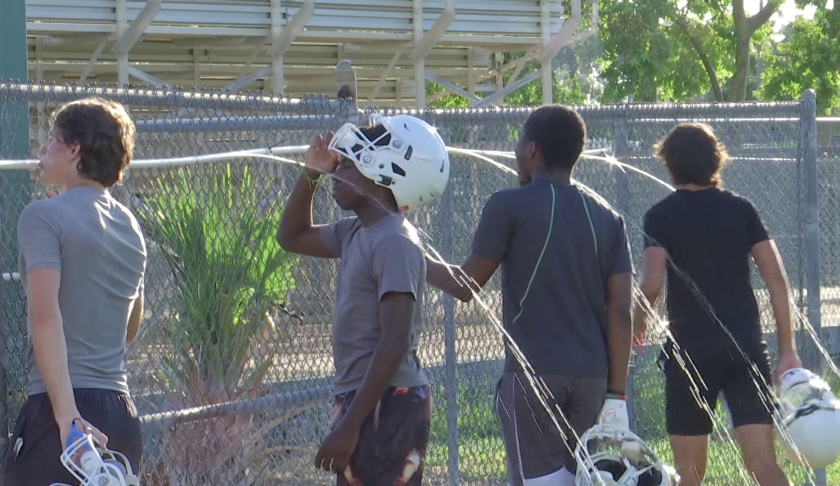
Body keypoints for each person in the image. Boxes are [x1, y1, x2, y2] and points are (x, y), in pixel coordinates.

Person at [426, 105, 634, 485]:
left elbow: (466, 284)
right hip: (593, 379)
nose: (515, 151)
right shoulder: (607, 217)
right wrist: (617, 394)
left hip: (533, 378)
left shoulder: (508, 204)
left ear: (532, 149)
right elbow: (621, 310)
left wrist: (410, 254)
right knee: (586, 480)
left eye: (519, 142)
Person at [276, 113, 449, 485]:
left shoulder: (395, 243)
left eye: (349, 164)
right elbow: (291, 236)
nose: (336, 170)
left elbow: (395, 339)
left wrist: (349, 425)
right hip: (368, 399)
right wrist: (312, 173)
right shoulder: (356, 231)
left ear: (386, 173)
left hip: (386, 402)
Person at [634, 122, 802, 486]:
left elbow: (650, 284)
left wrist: (637, 322)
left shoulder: (660, 215)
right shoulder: (742, 209)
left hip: (690, 354)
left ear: (670, 165)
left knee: (690, 475)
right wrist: (787, 349)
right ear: (717, 161)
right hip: (744, 346)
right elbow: (776, 278)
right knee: (764, 466)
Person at [0, 97, 147, 485]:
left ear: (75, 149)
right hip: (121, 419)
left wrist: (68, 421)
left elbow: (45, 316)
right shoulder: (130, 225)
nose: (43, 149)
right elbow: (129, 327)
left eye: (51, 139)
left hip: (61, 417)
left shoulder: (42, 215)